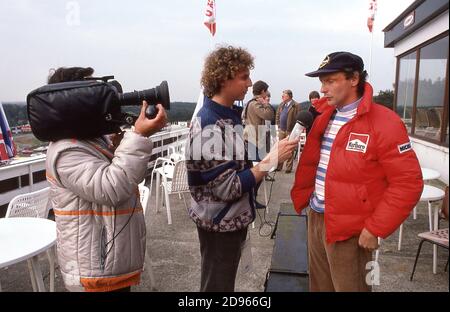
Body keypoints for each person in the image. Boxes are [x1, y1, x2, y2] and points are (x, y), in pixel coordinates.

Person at [290, 52, 424, 291]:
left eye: (330, 81)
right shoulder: (323, 115)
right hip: (317, 215)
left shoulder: (386, 122)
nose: (323, 89)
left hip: (352, 231)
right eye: (321, 82)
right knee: (319, 287)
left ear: (353, 79)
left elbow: (408, 183)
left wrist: (375, 228)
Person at [186, 46, 299, 292]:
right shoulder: (210, 124)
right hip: (219, 222)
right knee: (217, 286)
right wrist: (270, 160)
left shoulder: (227, 116)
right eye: (244, 77)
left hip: (227, 218)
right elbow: (229, 187)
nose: (249, 84)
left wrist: (266, 159)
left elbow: (237, 166)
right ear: (224, 78)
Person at [45, 67, 167, 292]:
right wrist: (138, 136)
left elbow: (110, 171)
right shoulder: (66, 151)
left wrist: (120, 144)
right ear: (73, 101)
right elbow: (112, 189)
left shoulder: (88, 141)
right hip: (94, 268)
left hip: (106, 261)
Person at [242, 80, 275, 208]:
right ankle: (251, 199)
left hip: (254, 140)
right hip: (253, 141)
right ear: (262, 91)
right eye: (266, 91)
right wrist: (266, 103)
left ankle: (252, 198)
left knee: (260, 170)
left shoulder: (252, 103)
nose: (267, 93)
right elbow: (269, 115)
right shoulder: (255, 104)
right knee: (258, 171)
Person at [275, 89, 300, 173]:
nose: (282, 97)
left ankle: (288, 168)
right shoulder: (281, 104)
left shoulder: (295, 105)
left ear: (289, 96)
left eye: (284, 95)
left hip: (290, 130)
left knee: (290, 149)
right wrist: (278, 124)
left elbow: (298, 117)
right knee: (280, 148)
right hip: (282, 130)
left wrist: (295, 130)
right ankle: (279, 166)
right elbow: (278, 114)